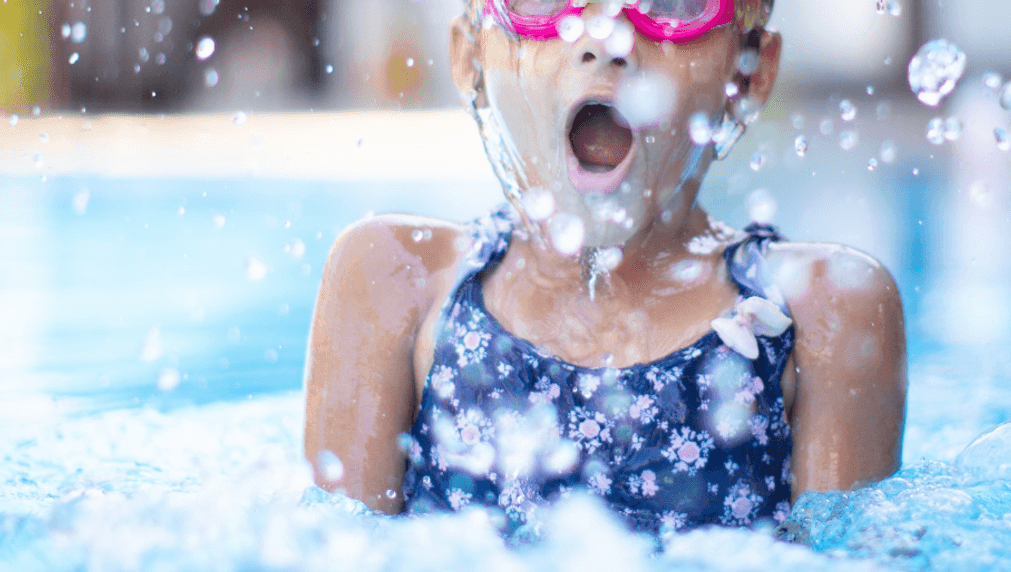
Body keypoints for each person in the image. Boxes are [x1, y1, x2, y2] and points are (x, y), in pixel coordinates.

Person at [303, 0, 906, 536]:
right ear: (470, 57)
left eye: (671, 4)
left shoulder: (820, 308)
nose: (607, 40)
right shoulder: (397, 278)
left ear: (749, 72)